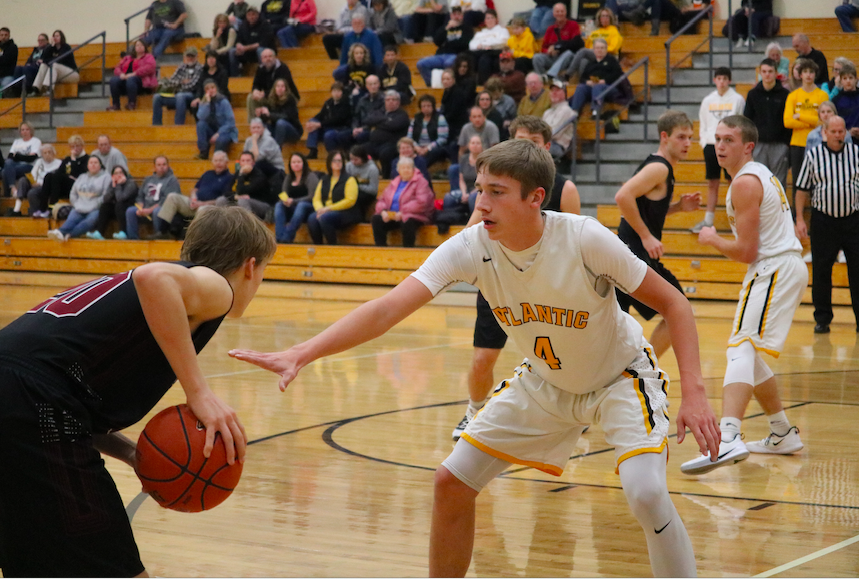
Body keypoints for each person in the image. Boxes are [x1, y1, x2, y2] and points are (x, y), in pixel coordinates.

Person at [229, 138, 720, 578]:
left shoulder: (585, 238)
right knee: (451, 482)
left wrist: (694, 392)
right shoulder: (470, 246)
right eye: (480, 188)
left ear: (535, 198)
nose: (481, 202)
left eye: (497, 192)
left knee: (647, 493)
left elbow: (675, 303)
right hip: (544, 383)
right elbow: (387, 308)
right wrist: (303, 351)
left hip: (619, 378)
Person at [0, 205, 274, 577]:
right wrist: (199, 392)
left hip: (27, 399)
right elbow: (154, 278)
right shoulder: (216, 287)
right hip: (30, 399)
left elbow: (58, 392)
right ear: (250, 266)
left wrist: (132, 454)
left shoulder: (166, 301)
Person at [683, 114, 805, 474]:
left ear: (747, 146)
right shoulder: (755, 175)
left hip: (773, 268)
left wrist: (711, 238)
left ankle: (729, 436)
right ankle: (782, 432)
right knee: (749, 354)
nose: (720, 145)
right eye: (717, 139)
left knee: (739, 346)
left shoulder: (745, 184)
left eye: (729, 140)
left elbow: (747, 251)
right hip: (780, 267)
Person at [448, 116, 581, 439]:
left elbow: (574, 247)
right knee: (482, 359)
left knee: (555, 359)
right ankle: (473, 411)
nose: (526, 148)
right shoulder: (494, 191)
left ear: (546, 147)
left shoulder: (564, 188)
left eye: (533, 142)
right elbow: (468, 240)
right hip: (500, 285)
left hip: (546, 290)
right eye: (519, 140)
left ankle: (571, 413)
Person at [614, 111, 702, 359]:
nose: (687, 143)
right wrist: (646, 237)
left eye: (690, 138)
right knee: (678, 310)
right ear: (665, 137)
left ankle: (627, 371)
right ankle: (646, 365)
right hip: (634, 254)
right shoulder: (659, 168)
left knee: (618, 322)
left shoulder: (661, 167)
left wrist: (678, 208)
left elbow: (643, 208)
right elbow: (623, 197)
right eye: (681, 137)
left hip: (627, 253)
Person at [795, 115, 859, 334]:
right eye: (834, 131)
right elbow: (802, 189)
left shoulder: (856, 153)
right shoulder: (814, 155)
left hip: (853, 220)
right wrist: (800, 219)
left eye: (842, 131)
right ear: (825, 132)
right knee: (822, 271)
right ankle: (822, 318)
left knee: (857, 271)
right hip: (823, 220)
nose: (838, 135)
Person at [691, 66, 745, 233]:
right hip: (710, 145)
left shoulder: (737, 99)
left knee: (733, 182)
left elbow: (740, 123)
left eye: (724, 79)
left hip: (730, 145)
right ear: (714, 80)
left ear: (729, 80)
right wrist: (704, 142)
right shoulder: (708, 100)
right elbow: (703, 123)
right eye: (718, 78)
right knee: (712, 183)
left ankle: (738, 219)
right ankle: (708, 220)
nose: (721, 82)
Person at [151, 151, 235, 240]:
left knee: (203, 209)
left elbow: (223, 200)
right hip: (195, 204)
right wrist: (193, 198)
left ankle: (195, 238)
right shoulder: (207, 174)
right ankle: (162, 232)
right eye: (216, 160)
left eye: (221, 160)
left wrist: (202, 204)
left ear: (227, 162)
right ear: (212, 162)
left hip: (210, 208)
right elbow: (195, 189)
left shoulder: (229, 177)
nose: (218, 163)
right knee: (172, 197)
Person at [784, 59, 829, 207]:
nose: (808, 75)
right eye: (805, 72)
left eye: (811, 72)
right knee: (798, 182)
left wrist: (800, 116)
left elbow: (823, 122)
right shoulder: (793, 95)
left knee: (818, 181)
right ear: (800, 75)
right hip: (797, 144)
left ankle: (817, 213)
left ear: (815, 75)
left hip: (818, 143)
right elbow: (788, 122)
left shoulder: (822, 96)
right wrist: (811, 121)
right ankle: (797, 218)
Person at [743, 58, 792, 186]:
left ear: (776, 73)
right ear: (760, 73)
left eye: (770, 71)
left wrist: (786, 143)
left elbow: (788, 120)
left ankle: (779, 207)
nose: (767, 74)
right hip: (759, 144)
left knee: (779, 183)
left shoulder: (785, 94)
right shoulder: (753, 94)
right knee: (759, 181)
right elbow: (747, 120)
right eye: (764, 71)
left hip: (779, 144)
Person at [372, 157, 434, 247]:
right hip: (394, 215)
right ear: (398, 170)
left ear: (413, 169)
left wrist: (402, 212)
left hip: (415, 215)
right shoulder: (395, 182)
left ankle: (407, 250)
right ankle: (381, 249)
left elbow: (422, 202)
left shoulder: (421, 182)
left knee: (407, 222)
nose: (406, 170)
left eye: (408, 167)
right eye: (403, 168)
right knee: (376, 219)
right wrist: (383, 211)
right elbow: (382, 199)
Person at [47, 156, 110, 242]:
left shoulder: (106, 177)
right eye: (91, 163)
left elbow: (106, 195)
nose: (93, 165)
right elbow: (73, 193)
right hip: (79, 206)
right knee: (71, 220)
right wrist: (76, 204)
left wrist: (94, 205)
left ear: (100, 165)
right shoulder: (82, 176)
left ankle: (69, 235)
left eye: (95, 163)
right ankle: (60, 232)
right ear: (87, 166)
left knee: (89, 222)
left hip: (95, 208)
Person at [307, 150, 361, 244]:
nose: (337, 163)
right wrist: (320, 209)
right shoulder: (324, 179)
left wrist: (328, 209)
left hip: (345, 212)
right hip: (326, 211)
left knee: (325, 218)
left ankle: (332, 246)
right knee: (312, 218)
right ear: (329, 163)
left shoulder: (350, 179)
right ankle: (318, 246)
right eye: (335, 160)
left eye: (339, 161)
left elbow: (350, 201)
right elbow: (316, 198)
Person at [557, 7, 623, 83]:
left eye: (606, 16)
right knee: (583, 61)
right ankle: (583, 83)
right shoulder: (595, 32)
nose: (604, 18)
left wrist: (597, 50)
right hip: (594, 55)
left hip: (607, 55)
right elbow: (587, 46)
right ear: (599, 18)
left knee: (583, 52)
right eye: (602, 16)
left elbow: (613, 48)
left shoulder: (614, 31)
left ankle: (567, 75)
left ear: (610, 18)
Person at [416, 6, 474, 88]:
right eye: (454, 14)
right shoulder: (445, 27)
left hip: (456, 55)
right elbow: (436, 41)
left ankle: (451, 85)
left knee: (448, 63)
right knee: (421, 64)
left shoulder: (466, 28)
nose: (456, 17)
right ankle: (431, 84)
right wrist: (446, 28)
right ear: (451, 16)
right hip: (440, 55)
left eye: (459, 14)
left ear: (462, 16)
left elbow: (464, 43)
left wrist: (447, 43)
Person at [125, 155, 181, 240]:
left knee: (157, 211)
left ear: (168, 166)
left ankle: (160, 236)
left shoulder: (172, 180)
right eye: (159, 165)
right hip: (146, 208)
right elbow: (140, 196)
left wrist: (149, 210)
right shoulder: (148, 179)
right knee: (130, 211)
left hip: (161, 210)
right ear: (154, 167)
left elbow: (166, 201)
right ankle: (133, 239)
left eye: (164, 164)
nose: (162, 167)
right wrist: (140, 207)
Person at [33, 135, 90, 218]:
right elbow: (59, 172)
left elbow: (79, 174)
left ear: (82, 146)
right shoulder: (67, 159)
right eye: (72, 146)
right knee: (49, 176)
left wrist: (73, 161)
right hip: (65, 184)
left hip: (77, 186)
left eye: (77, 146)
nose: (75, 148)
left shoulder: (87, 159)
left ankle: (52, 207)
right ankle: (42, 209)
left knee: (57, 177)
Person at [568, 38, 624, 119]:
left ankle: (596, 111)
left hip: (609, 87)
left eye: (602, 48)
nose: (599, 50)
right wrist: (587, 82)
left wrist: (604, 81)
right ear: (594, 50)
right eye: (597, 48)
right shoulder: (590, 63)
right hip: (593, 87)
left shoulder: (612, 61)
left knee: (598, 87)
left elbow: (618, 75)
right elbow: (583, 78)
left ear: (606, 49)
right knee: (581, 87)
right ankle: (574, 112)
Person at [152, 45, 204, 125]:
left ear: (197, 56)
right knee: (157, 97)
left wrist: (177, 85)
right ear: (185, 56)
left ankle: (178, 125)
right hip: (176, 94)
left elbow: (192, 85)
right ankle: (156, 125)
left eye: (192, 56)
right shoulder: (181, 67)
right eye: (188, 56)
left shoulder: (200, 68)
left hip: (191, 96)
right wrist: (181, 82)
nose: (190, 58)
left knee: (180, 96)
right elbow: (170, 82)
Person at [275, 152, 320, 243]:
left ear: (303, 163)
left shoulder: (311, 176)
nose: (296, 164)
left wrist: (294, 201)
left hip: (309, 207)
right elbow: (284, 193)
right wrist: (285, 200)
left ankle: (288, 236)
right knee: (279, 205)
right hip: (293, 207)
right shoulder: (289, 177)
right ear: (290, 164)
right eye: (293, 162)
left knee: (301, 205)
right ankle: (279, 237)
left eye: (298, 162)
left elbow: (312, 196)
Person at [439, 134, 483, 226]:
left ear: (482, 145)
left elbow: (482, 183)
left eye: (478, 143)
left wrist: (470, 194)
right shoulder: (464, 158)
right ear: (469, 145)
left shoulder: (484, 160)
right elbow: (461, 179)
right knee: (449, 197)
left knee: (472, 198)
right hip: (465, 190)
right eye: (473, 143)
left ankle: (474, 224)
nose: (475, 145)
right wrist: (463, 193)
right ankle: (447, 222)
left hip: (479, 191)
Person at [86, 165, 140, 240]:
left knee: (119, 205)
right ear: (113, 176)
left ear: (124, 174)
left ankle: (123, 232)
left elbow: (120, 198)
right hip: (117, 209)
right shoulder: (112, 183)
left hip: (128, 207)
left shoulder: (130, 183)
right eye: (116, 173)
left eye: (120, 172)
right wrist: (113, 187)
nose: (118, 175)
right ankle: (99, 232)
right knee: (105, 206)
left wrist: (118, 185)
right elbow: (105, 199)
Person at [7, 144, 60, 217]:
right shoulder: (39, 161)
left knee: (31, 193)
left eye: (49, 152)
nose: (47, 154)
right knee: (22, 180)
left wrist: (39, 184)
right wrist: (33, 182)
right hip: (35, 183)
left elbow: (54, 180)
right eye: (45, 153)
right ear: (42, 154)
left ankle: (35, 213)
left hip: (45, 186)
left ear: (54, 153)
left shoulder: (59, 163)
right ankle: (16, 209)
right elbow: (33, 174)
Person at [365, 90, 410, 176]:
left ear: (398, 102)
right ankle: (374, 172)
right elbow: (368, 120)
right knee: (361, 150)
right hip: (375, 143)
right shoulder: (380, 111)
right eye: (388, 100)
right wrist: (385, 120)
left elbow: (394, 125)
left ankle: (386, 176)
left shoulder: (402, 114)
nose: (390, 102)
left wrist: (377, 123)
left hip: (391, 143)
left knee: (385, 153)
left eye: (393, 100)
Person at [304, 82, 353, 160]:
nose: (336, 93)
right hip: (327, 126)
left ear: (342, 92)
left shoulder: (345, 103)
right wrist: (310, 122)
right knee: (313, 122)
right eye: (334, 91)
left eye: (338, 91)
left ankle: (333, 156)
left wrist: (320, 124)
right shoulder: (328, 103)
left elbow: (338, 119)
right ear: (331, 92)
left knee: (328, 134)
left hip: (340, 128)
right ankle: (313, 150)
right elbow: (321, 115)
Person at [531, 4, 582, 77]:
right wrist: (549, 51)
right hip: (553, 57)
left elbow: (576, 43)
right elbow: (543, 48)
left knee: (568, 53)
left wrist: (557, 47)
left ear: (566, 12)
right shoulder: (550, 29)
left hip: (568, 58)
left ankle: (551, 75)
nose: (560, 13)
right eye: (557, 11)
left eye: (562, 11)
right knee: (536, 57)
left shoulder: (573, 25)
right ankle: (542, 79)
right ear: (554, 14)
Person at [225, 151, 278, 220]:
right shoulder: (237, 173)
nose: (245, 163)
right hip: (242, 201)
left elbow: (241, 191)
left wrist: (242, 174)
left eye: (248, 160)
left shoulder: (259, 176)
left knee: (243, 201)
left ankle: (248, 227)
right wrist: (235, 196)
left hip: (262, 205)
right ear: (240, 163)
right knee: (221, 200)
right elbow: (226, 191)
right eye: (243, 161)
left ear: (253, 163)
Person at [108, 40, 157, 112]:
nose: (139, 47)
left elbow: (150, 67)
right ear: (134, 48)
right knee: (114, 80)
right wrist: (121, 74)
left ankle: (131, 103)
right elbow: (117, 68)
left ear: (145, 47)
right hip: (126, 80)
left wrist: (134, 73)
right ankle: (116, 105)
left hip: (142, 82)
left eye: (141, 45)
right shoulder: (127, 58)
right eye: (137, 45)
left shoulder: (149, 57)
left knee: (131, 79)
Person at [337, 74, 383, 151]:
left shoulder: (383, 99)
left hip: (373, 129)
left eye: (375, 84)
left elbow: (379, 118)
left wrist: (363, 128)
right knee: (341, 136)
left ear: (379, 84)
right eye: (370, 84)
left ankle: (361, 157)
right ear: (366, 86)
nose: (373, 86)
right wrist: (355, 128)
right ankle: (349, 157)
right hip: (359, 128)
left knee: (361, 136)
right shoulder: (362, 100)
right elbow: (356, 116)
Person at [248, 48, 300, 114]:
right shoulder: (260, 69)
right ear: (262, 59)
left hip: (286, 96)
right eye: (265, 57)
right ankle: (255, 121)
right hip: (269, 96)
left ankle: (272, 117)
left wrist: (264, 94)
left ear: (275, 57)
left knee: (276, 97)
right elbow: (256, 83)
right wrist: (255, 90)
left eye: (270, 56)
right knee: (251, 97)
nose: (268, 59)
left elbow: (282, 88)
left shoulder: (283, 68)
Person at [195, 79, 238, 159]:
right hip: (212, 129)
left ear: (216, 88)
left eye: (212, 87)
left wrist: (218, 133)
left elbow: (231, 122)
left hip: (225, 131)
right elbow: (200, 117)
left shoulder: (224, 101)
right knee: (201, 124)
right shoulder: (204, 102)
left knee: (221, 140)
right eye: (207, 89)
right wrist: (207, 104)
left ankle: (217, 158)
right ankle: (203, 152)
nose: (210, 90)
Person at [336, 13, 384, 84]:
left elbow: (378, 56)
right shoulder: (347, 37)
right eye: (354, 23)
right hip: (352, 67)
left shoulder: (372, 36)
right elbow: (343, 57)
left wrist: (378, 70)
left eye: (359, 23)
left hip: (368, 67)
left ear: (363, 24)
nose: (357, 25)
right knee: (336, 73)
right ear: (351, 24)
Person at [229, 7, 276, 76]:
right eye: (249, 15)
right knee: (232, 51)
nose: (251, 17)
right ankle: (235, 76)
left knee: (261, 51)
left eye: (253, 14)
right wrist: (238, 45)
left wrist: (245, 48)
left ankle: (266, 74)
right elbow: (238, 39)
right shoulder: (243, 25)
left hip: (263, 50)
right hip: (247, 53)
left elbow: (263, 43)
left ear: (258, 15)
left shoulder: (265, 24)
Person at [255, 77, 302, 146]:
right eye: (278, 86)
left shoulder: (290, 99)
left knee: (281, 123)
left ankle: (276, 150)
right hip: (276, 129)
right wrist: (261, 114)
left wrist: (269, 114)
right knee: (260, 124)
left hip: (292, 129)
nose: (280, 88)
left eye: (282, 86)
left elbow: (286, 117)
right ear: (275, 88)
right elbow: (268, 117)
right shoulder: (271, 99)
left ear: (286, 88)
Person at [31, 30, 79, 94]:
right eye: (54, 36)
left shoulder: (66, 47)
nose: (55, 38)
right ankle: (36, 88)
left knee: (54, 65)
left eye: (57, 36)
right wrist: (50, 46)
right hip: (58, 73)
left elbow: (59, 59)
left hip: (72, 74)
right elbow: (43, 58)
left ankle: (48, 88)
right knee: (43, 65)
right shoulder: (52, 48)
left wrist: (46, 61)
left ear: (61, 37)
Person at [408, 94, 449, 169]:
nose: (426, 108)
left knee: (434, 153)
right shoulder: (416, 119)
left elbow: (442, 139)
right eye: (423, 106)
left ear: (433, 106)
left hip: (434, 148)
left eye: (428, 106)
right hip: (418, 147)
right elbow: (409, 137)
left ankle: (419, 170)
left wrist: (427, 148)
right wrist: (416, 147)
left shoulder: (440, 118)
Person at [469, 10, 510, 85]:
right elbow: (471, 45)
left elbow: (503, 42)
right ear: (485, 21)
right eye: (488, 18)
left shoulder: (502, 30)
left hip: (495, 52)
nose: (490, 20)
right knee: (467, 57)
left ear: (496, 19)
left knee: (484, 59)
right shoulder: (480, 33)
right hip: (480, 52)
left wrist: (484, 44)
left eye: (492, 18)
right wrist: (482, 45)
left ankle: (484, 84)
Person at [2, 122, 42, 198]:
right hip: (16, 165)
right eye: (22, 130)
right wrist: (21, 156)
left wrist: (17, 156)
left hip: (29, 166)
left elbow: (30, 158)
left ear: (31, 130)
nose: (25, 132)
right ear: (20, 131)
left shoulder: (36, 141)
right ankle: (12, 190)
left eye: (27, 129)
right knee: (7, 164)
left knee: (5, 171)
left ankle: (10, 193)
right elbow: (10, 156)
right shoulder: (17, 141)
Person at [542, 80, 575, 159]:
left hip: (557, 146)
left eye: (557, 90)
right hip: (545, 143)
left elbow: (554, 134)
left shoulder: (566, 110)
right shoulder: (547, 112)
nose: (554, 93)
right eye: (552, 90)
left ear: (564, 93)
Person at [346, 144, 381, 215]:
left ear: (363, 158)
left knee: (357, 198)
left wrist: (357, 186)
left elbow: (373, 190)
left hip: (367, 193)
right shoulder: (349, 166)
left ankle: (359, 218)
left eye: (356, 159)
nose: (353, 162)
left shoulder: (372, 169)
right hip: (352, 189)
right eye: (351, 159)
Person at [833, 63, 859, 138]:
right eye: (845, 78)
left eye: (850, 78)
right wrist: (847, 132)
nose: (848, 81)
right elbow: (834, 121)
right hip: (844, 137)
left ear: (856, 79)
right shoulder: (836, 100)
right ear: (840, 81)